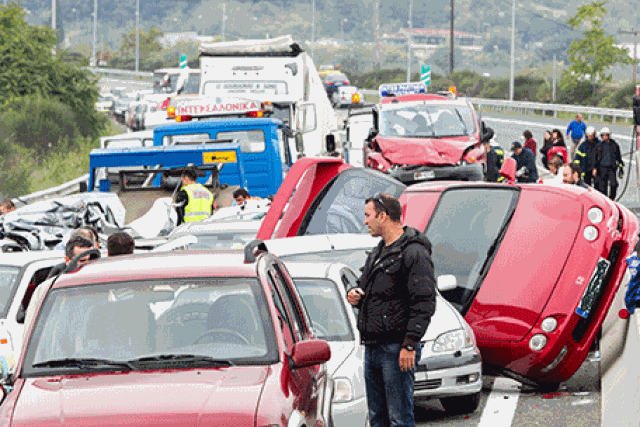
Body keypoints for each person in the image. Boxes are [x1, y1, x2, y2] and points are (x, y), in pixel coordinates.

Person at [346, 193, 436, 427]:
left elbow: (424, 302)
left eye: (368, 215)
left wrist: (409, 344)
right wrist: (354, 292)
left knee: (399, 418)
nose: (365, 221)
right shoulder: (378, 251)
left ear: (383, 216)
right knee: (378, 417)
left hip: (396, 348)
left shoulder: (413, 252)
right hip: (373, 345)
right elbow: (363, 283)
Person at [22, 235, 97, 340]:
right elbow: (31, 328)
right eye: (82, 261)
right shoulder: (47, 290)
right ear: (67, 260)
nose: (87, 265)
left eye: (90, 260)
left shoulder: (99, 286)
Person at [595, 127, 623, 200]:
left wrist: (621, 167)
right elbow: (595, 158)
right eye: (602, 135)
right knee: (603, 186)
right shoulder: (599, 146)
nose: (604, 137)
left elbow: (618, 157)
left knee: (614, 184)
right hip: (602, 168)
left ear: (608, 135)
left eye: (605, 135)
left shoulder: (615, 145)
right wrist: (594, 168)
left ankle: (611, 198)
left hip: (611, 168)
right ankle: (605, 200)